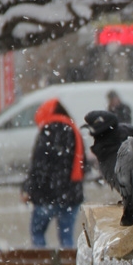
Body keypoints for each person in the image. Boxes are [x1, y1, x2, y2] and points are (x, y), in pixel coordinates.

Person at [20, 98, 85, 248]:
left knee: (37, 233)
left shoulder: (47, 132)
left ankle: (42, 261)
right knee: (67, 238)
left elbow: (38, 166)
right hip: (71, 195)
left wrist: (28, 189)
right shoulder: (74, 131)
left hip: (46, 195)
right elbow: (83, 165)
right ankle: (68, 262)